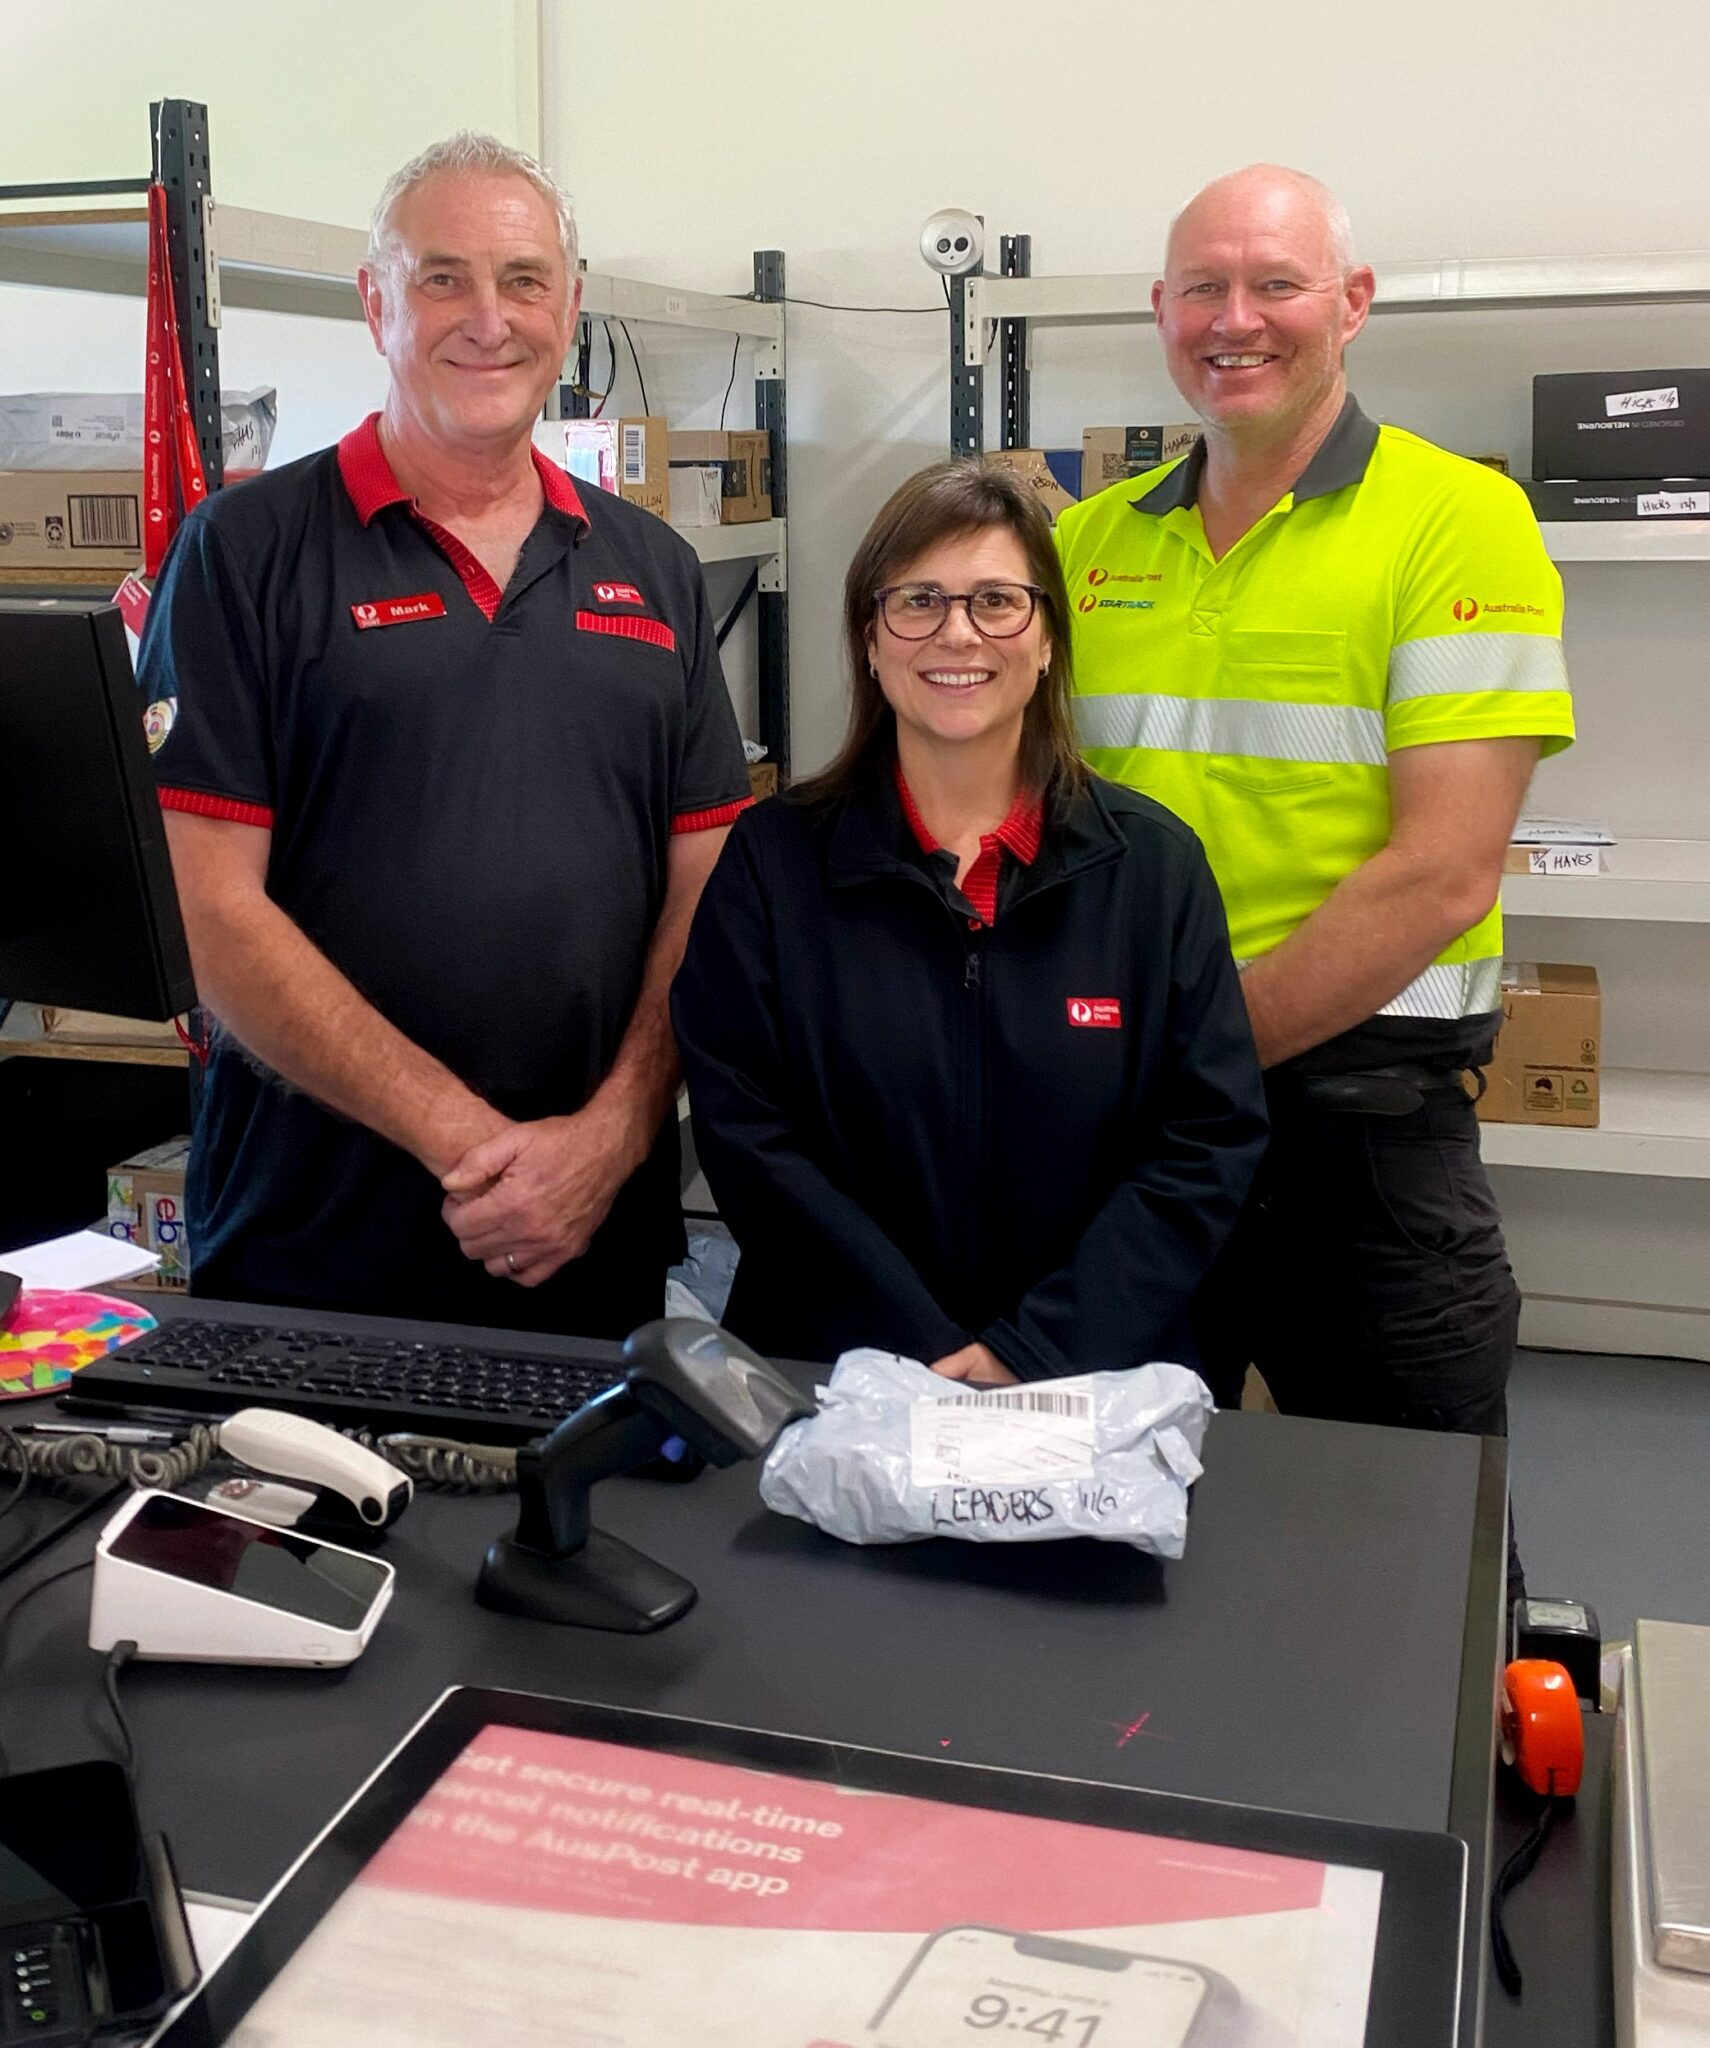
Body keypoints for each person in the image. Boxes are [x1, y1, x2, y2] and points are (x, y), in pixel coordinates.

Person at [137, 132, 752, 1336]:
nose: (491, 318)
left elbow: (708, 888)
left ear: (569, 307)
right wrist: (476, 1149)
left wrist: (616, 1133)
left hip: (595, 1229)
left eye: (525, 280)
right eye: (442, 277)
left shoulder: (653, 568)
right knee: (311, 1530)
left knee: (594, 1529)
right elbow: (209, 914)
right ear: (375, 303)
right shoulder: (243, 553)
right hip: (316, 1241)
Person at [1056, 165, 1576, 1483]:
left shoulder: (1458, 522)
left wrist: (1191, 1057)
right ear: (1158, 309)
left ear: (1349, 304)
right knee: (1099, 1518)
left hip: (1359, 1152)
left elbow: (1441, 871)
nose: (1235, 319)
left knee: (1403, 1565)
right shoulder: (1086, 545)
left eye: (1274, 284)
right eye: (1201, 289)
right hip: (1133, 1137)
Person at [672, 461, 1268, 1384]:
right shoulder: (775, 863)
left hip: (1090, 1381)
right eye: (917, 600)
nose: (958, 632)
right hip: (839, 1373)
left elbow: (1204, 1142)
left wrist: (1030, 1351)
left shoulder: (1152, 869)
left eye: (997, 601)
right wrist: (927, 1353)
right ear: (870, 639)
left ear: (1048, 642)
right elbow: (748, 1134)